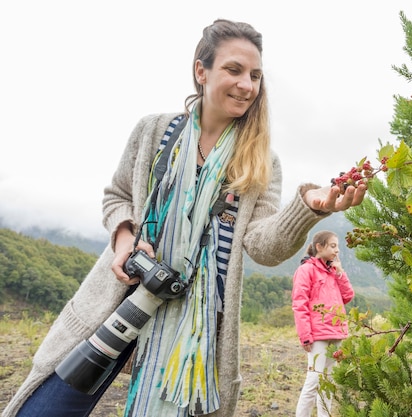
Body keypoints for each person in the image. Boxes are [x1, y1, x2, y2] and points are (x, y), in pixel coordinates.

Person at [3, 19, 366, 417]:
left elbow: (262, 245)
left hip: (195, 333)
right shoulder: (153, 132)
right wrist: (125, 241)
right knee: (45, 408)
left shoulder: (261, 161)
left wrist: (309, 206)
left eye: (256, 75)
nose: (247, 84)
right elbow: (118, 196)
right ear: (201, 71)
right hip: (120, 300)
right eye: (234, 70)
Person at [291, 230, 354, 417]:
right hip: (317, 335)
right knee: (313, 381)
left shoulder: (333, 272)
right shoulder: (306, 270)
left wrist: (341, 273)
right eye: (333, 246)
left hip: (336, 333)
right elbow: (299, 304)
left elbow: (348, 296)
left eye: (338, 247)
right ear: (319, 247)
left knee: (328, 382)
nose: (337, 251)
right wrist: (305, 336)